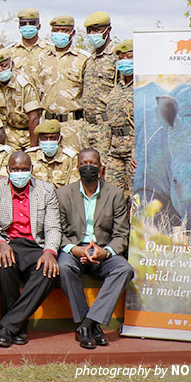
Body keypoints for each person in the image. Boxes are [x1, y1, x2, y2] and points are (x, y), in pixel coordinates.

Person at [57, 149, 133, 349]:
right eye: (83, 164)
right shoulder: (63, 195)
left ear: (101, 168)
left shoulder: (115, 195)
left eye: (92, 163)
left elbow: (121, 234)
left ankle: (88, 324)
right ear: (77, 168)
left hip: (103, 250)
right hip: (75, 251)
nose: (88, 167)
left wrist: (105, 252)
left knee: (124, 269)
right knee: (64, 268)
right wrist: (75, 250)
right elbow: (58, 232)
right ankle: (88, 324)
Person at [0, 151, 61, 348]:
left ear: (31, 169)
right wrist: (0, 244)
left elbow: (53, 227)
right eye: (15, 169)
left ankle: (8, 325)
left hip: (34, 245)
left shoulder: (46, 190)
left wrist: (49, 252)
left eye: (23, 169)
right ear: (7, 170)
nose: (19, 173)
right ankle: (17, 326)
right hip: (7, 242)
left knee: (48, 272)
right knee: (4, 267)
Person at [39, 14, 88, 150]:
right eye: (56, 30)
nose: (59, 34)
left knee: (73, 165)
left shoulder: (83, 59)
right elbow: (39, 89)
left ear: (72, 33)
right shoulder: (43, 58)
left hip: (73, 125)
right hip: (47, 124)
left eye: (64, 30)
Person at [0, 49, 42, 150]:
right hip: (8, 132)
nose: (1, 70)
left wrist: (33, 149)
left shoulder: (24, 83)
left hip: (29, 131)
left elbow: (34, 118)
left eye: (4, 66)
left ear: (12, 65)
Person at [80, 11, 117, 158]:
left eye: (97, 30)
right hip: (87, 126)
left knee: (103, 171)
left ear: (108, 30)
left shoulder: (116, 57)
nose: (92, 34)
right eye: (89, 31)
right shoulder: (89, 59)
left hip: (105, 127)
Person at [104, 40, 135, 192]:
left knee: (134, 194)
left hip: (132, 148)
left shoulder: (141, 87)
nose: (124, 62)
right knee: (113, 195)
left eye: (129, 57)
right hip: (115, 149)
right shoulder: (116, 88)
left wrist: (139, 152)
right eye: (121, 58)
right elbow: (108, 123)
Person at [7, 7, 50, 90]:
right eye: (23, 23)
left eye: (32, 23)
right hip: (19, 100)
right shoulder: (9, 52)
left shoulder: (50, 51)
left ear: (39, 26)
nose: (27, 26)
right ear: (19, 26)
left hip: (43, 100)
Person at [28, 119, 80, 187]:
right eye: (45, 138)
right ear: (39, 139)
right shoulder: (30, 156)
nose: (49, 141)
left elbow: (73, 186)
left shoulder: (71, 158)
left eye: (53, 138)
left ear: (60, 139)